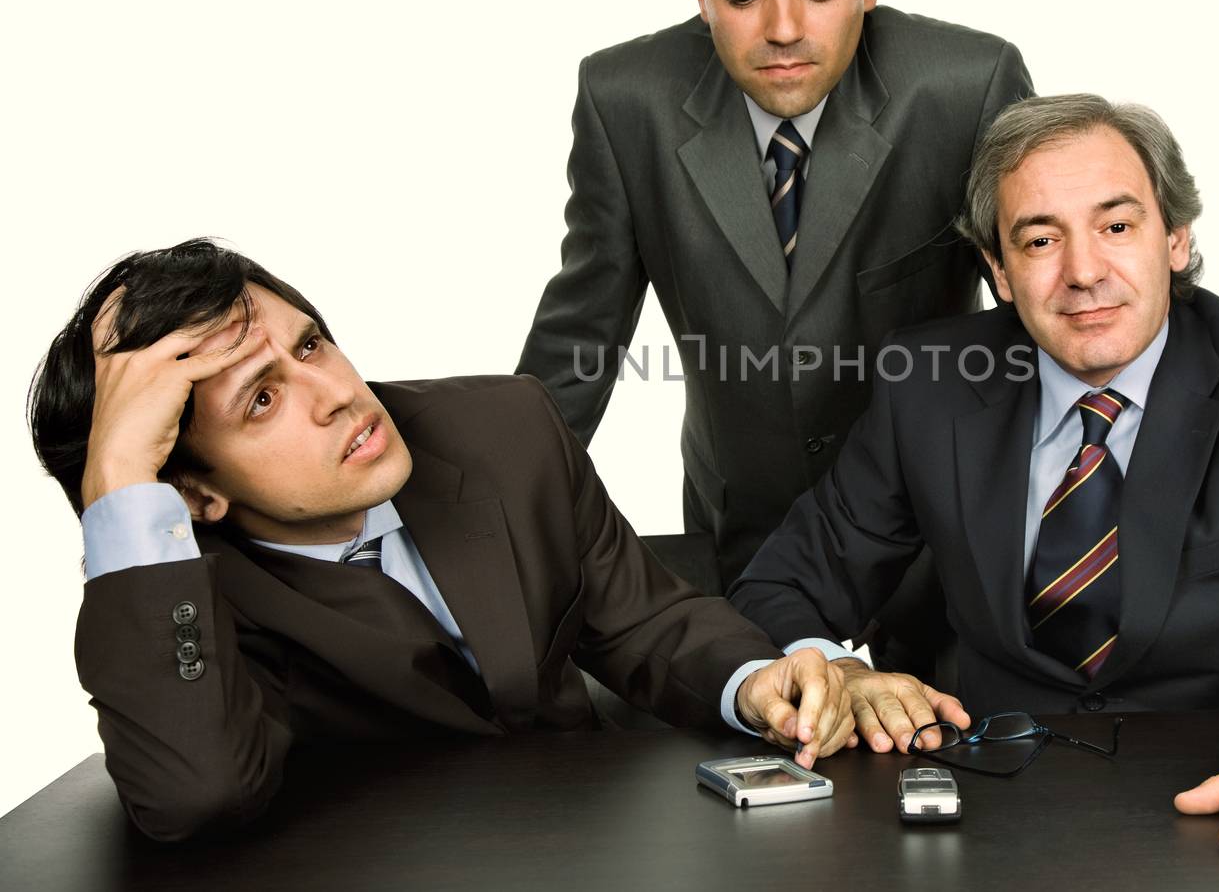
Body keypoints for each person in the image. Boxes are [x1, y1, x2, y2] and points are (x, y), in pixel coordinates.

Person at [728, 94, 1219, 859]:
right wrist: (829, 668)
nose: (1083, 271)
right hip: (981, 829)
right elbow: (779, 586)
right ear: (998, 269)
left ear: (1175, 237)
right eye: (1039, 240)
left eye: (1117, 225)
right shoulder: (929, 382)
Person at [29, 239, 854, 842]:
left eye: (311, 343)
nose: (335, 395)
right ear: (193, 493)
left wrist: (754, 683)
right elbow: (194, 791)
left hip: (593, 850)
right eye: (262, 399)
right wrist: (120, 482)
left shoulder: (503, 426)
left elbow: (643, 620)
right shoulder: (183, 591)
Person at [516, 0, 1033, 588]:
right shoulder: (623, 99)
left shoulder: (969, 85)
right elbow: (580, 338)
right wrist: (494, 517)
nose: (783, 28)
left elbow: (1041, 310)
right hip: (740, 520)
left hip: (939, 516)